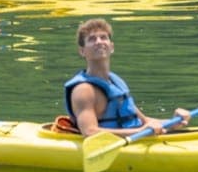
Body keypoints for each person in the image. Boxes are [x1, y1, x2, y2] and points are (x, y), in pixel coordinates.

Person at [61, 18, 190, 136]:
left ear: (111, 47)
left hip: (136, 140)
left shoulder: (116, 83)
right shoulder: (83, 90)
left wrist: (173, 123)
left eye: (103, 37)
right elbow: (89, 131)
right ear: (82, 51)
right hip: (111, 144)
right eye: (92, 39)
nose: (99, 42)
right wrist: (139, 132)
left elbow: (144, 121)